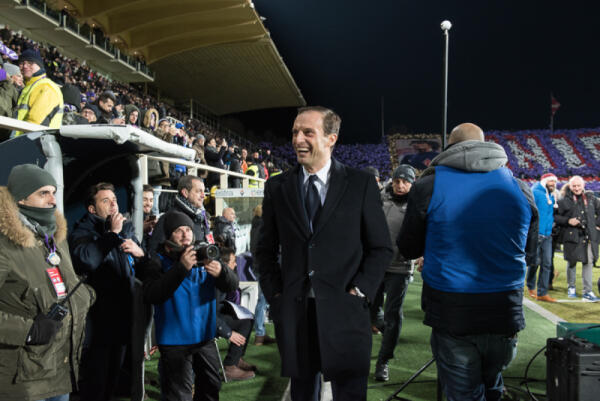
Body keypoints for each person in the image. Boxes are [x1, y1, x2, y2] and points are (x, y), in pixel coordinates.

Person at [256, 106, 393, 400]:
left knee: (349, 394)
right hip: (296, 314)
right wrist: (276, 295)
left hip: (345, 311)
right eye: (295, 132)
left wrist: (359, 290)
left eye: (308, 132)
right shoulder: (277, 186)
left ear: (331, 138)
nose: (298, 139)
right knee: (302, 393)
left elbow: (381, 247)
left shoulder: (360, 184)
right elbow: (264, 250)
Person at [397, 123, 538, 401]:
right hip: (505, 308)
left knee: (463, 394)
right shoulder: (520, 187)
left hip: (453, 309)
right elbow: (530, 252)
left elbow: (408, 247)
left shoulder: (430, 184)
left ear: (450, 147)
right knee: (492, 385)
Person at [0, 164, 94, 401]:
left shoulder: (55, 236)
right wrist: (28, 331)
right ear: (21, 198)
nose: (53, 200)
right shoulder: (4, 243)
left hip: (59, 367)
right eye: (43, 193)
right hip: (22, 378)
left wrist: (85, 296)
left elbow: (65, 282)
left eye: (53, 192)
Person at [141, 211, 238, 400]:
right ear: (168, 236)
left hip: (205, 338)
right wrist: (181, 268)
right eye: (179, 230)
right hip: (174, 342)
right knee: (179, 395)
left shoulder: (205, 255)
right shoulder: (157, 261)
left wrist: (222, 272)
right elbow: (153, 294)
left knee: (212, 387)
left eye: (188, 229)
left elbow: (232, 285)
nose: (185, 234)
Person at [70, 182, 149, 401]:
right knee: (95, 385)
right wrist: (112, 234)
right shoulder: (82, 232)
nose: (113, 204)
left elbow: (143, 269)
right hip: (97, 325)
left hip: (123, 319)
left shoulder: (126, 230)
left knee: (113, 383)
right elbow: (87, 260)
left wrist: (140, 254)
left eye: (114, 200)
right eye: (105, 201)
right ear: (92, 209)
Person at [374, 164, 416, 382]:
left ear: (412, 183)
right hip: (376, 264)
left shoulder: (417, 204)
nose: (400, 185)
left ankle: (383, 361)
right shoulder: (380, 198)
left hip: (400, 267)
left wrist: (420, 253)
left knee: (393, 314)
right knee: (370, 310)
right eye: (397, 181)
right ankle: (385, 327)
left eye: (405, 182)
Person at [555, 175, 600, 302]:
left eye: (578, 185)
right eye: (574, 186)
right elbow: (556, 217)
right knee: (572, 262)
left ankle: (588, 291)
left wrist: (597, 225)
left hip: (588, 236)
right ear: (570, 186)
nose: (576, 188)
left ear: (583, 185)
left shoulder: (591, 198)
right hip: (572, 236)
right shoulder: (563, 201)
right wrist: (568, 221)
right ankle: (571, 287)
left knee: (588, 262)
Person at [216, 247, 257, 381]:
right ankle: (230, 367)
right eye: (233, 262)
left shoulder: (224, 278)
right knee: (244, 322)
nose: (235, 265)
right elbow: (208, 314)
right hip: (209, 322)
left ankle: (236, 359)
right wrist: (228, 333)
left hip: (217, 315)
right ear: (224, 264)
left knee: (248, 319)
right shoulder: (214, 280)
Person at [148, 175, 211, 256]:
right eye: (199, 191)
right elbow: (154, 252)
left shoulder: (201, 216)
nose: (203, 196)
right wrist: (181, 262)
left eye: (203, 191)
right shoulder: (169, 218)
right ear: (185, 193)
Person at [13, 48, 63, 137]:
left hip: (28, 142)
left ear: (39, 65)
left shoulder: (46, 87)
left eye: (30, 63)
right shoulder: (29, 86)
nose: (25, 66)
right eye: (22, 63)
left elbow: (35, 124)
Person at [526, 173, 558, 302]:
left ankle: (542, 293)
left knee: (547, 264)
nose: (553, 184)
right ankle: (530, 285)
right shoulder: (535, 192)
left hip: (547, 235)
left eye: (554, 182)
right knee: (534, 262)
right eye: (551, 181)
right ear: (544, 181)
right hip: (536, 234)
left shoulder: (551, 195)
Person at [250, 204, 276, 346]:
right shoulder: (262, 227)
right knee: (263, 300)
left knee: (263, 300)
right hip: (264, 267)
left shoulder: (255, 226)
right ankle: (259, 333)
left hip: (259, 266)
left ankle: (261, 333)